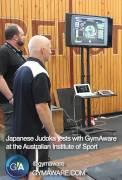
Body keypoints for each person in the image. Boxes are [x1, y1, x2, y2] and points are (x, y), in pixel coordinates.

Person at [12, 35, 61, 179]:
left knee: (23, 168)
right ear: (42, 50)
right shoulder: (39, 72)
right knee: (37, 169)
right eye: (50, 48)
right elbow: (42, 107)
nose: (51, 52)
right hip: (34, 134)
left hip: (18, 130)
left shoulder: (21, 69)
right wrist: (52, 133)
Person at [0, 24, 26, 161]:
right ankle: (13, 165)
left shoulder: (16, 52)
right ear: (15, 37)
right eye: (22, 34)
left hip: (19, 101)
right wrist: (11, 97)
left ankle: (20, 161)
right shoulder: (4, 51)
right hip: (10, 102)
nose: (24, 37)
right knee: (12, 135)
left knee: (19, 133)